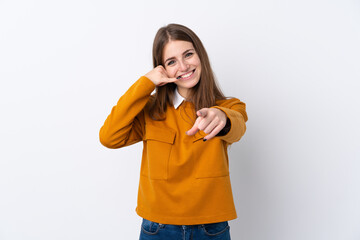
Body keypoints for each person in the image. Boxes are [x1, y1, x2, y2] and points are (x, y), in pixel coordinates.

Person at [99, 23, 248, 240]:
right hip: (158, 227)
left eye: (188, 54)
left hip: (211, 227)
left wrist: (221, 117)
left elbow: (237, 127)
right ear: (162, 70)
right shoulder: (150, 111)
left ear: (200, 55)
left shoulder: (229, 107)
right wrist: (146, 83)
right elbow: (109, 137)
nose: (183, 66)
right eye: (171, 62)